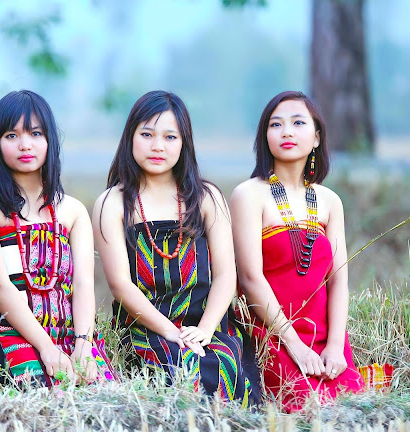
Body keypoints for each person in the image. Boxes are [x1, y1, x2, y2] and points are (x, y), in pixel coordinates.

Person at [93, 90, 261, 406]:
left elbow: (226, 275)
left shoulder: (207, 197)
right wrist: (171, 332)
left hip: (206, 323)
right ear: (130, 137)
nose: (158, 146)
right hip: (146, 326)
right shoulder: (113, 203)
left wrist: (207, 329)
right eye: (147, 134)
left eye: (170, 137)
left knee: (222, 365)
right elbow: (120, 285)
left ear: (184, 143)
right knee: (179, 370)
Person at [0, 90, 115, 387]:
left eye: (35, 133)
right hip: (7, 331)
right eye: (11, 135)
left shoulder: (72, 211)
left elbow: (84, 283)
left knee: (104, 397)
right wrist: (46, 348)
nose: (25, 145)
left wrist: (84, 343)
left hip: (69, 331)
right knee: (41, 396)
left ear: (50, 141)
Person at [230, 90, 365, 411]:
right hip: (272, 333)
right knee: (305, 406)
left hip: (323, 334)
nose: (286, 131)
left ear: (317, 137)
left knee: (355, 406)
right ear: (265, 136)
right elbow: (250, 279)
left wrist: (335, 345)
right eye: (276, 125)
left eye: (298, 122)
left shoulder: (330, 201)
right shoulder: (248, 195)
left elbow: (338, 281)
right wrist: (295, 345)